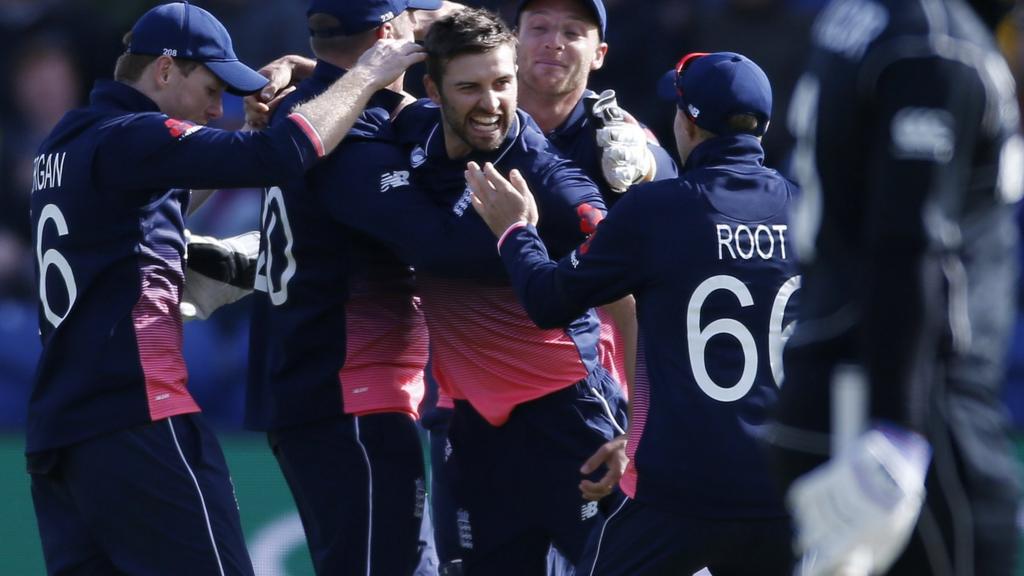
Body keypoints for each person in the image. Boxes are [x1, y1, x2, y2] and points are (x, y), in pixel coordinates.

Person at [26, 3, 424, 574]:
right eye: (212, 89)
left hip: (60, 437)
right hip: (138, 412)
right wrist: (365, 76)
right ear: (165, 71)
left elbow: (152, 209)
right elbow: (280, 157)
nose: (218, 109)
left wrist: (239, 135)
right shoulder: (135, 136)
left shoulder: (67, 143)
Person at [468, 51, 798, 576]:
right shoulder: (803, 208)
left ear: (686, 121)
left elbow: (547, 299)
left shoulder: (656, 211)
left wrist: (516, 231)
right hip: (783, 490)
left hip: (676, 492)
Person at [765, 0, 1022, 574]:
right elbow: (908, 243)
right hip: (908, 403)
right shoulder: (933, 43)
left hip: (831, 376)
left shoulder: (867, 18)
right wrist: (898, 431)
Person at [244, 1, 451, 574]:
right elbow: (435, 242)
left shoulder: (307, 110)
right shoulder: (355, 130)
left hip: (319, 386)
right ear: (388, 34)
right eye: (413, 16)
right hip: (350, 396)